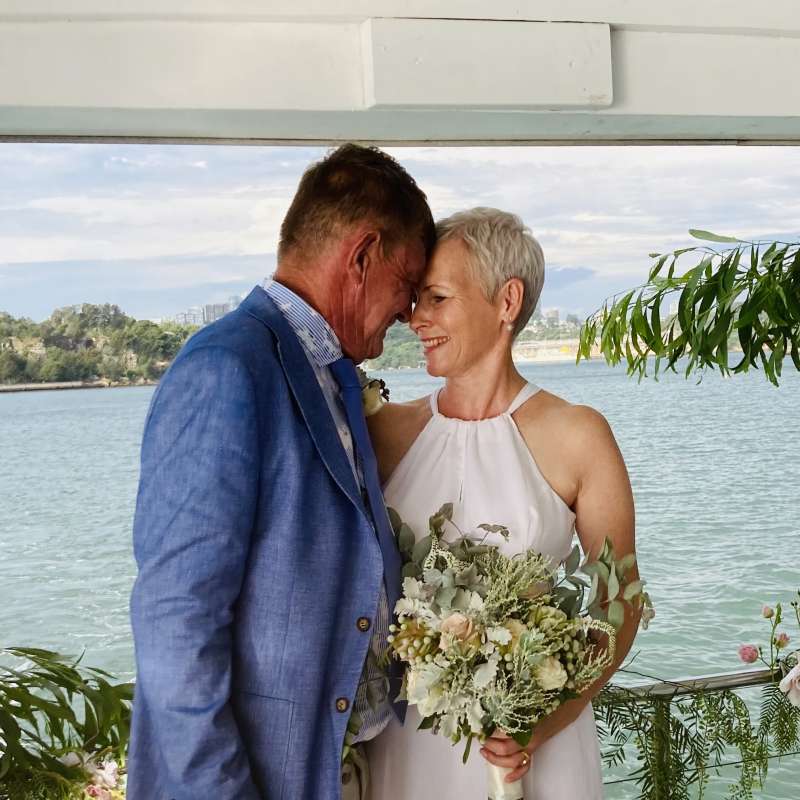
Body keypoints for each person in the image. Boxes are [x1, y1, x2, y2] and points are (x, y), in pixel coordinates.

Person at [127, 143, 435, 800]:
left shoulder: (332, 373)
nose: (410, 313)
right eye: (407, 285)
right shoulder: (225, 368)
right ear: (360, 256)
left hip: (334, 767)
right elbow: (175, 621)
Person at [366, 208, 641, 799]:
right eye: (415, 300)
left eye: (436, 298)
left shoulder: (579, 434)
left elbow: (618, 600)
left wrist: (543, 724)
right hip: (410, 743)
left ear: (507, 301)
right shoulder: (385, 433)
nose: (415, 319)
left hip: (537, 749)